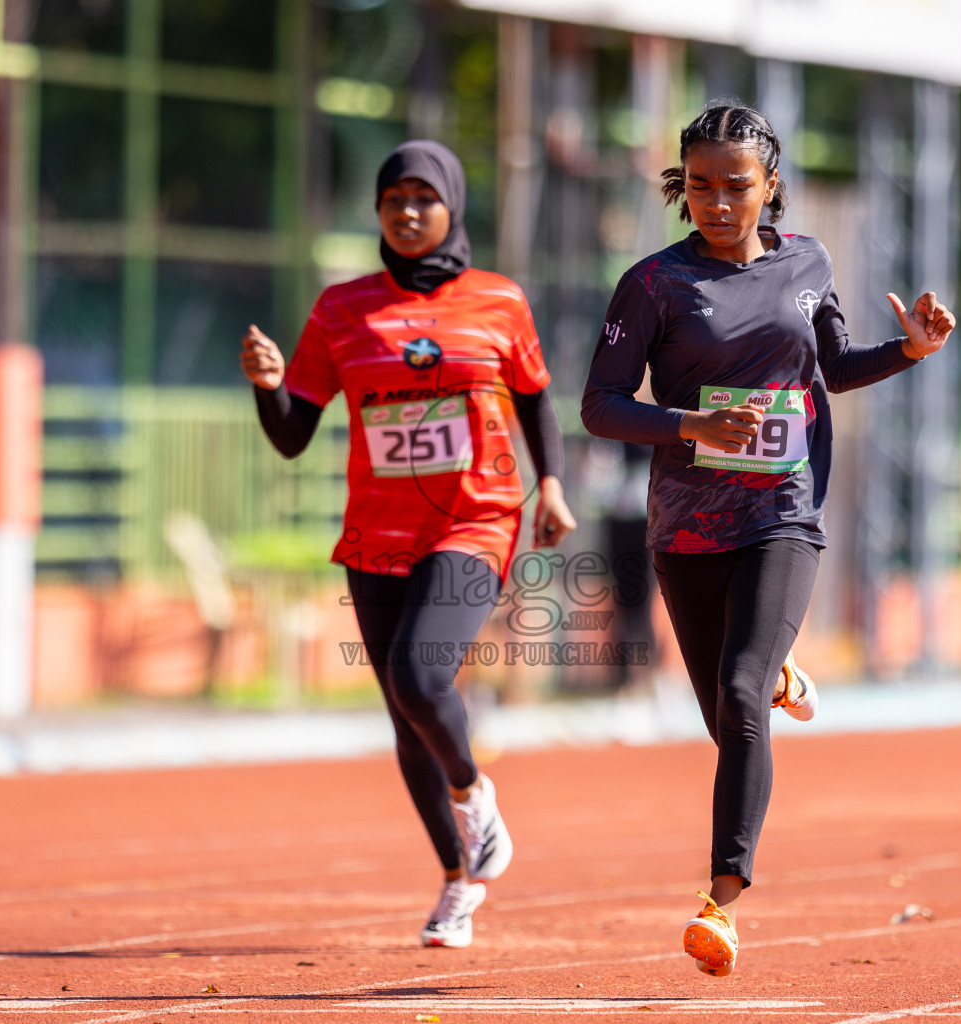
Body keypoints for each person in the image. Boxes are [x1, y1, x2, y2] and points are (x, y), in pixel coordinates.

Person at [580, 103, 955, 977]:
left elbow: (833, 367)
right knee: (725, 715)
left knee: (742, 693)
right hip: (686, 528)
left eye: (736, 187)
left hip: (783, 513)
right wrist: (691, 427)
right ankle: (780, 666)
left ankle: (723, 901)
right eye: (701, 186)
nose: (717, 202)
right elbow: (600, 405)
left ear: (770, 186)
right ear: (685, 185)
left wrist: (907, 350)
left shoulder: (808, 263)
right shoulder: (654, 285)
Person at [241, 139, 576, 949]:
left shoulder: (498, 299)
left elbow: (535, 398)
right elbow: (293, 436)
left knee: (420, 677)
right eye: (395, 201)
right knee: (403, 715)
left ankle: (473, 794)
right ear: (380, 213)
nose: (409, 212)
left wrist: (552, 485)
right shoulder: (341, 310)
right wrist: (268, 388)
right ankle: (459, 883)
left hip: (474, 516)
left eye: (425, 198)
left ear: (452, 206)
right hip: (377, 533)